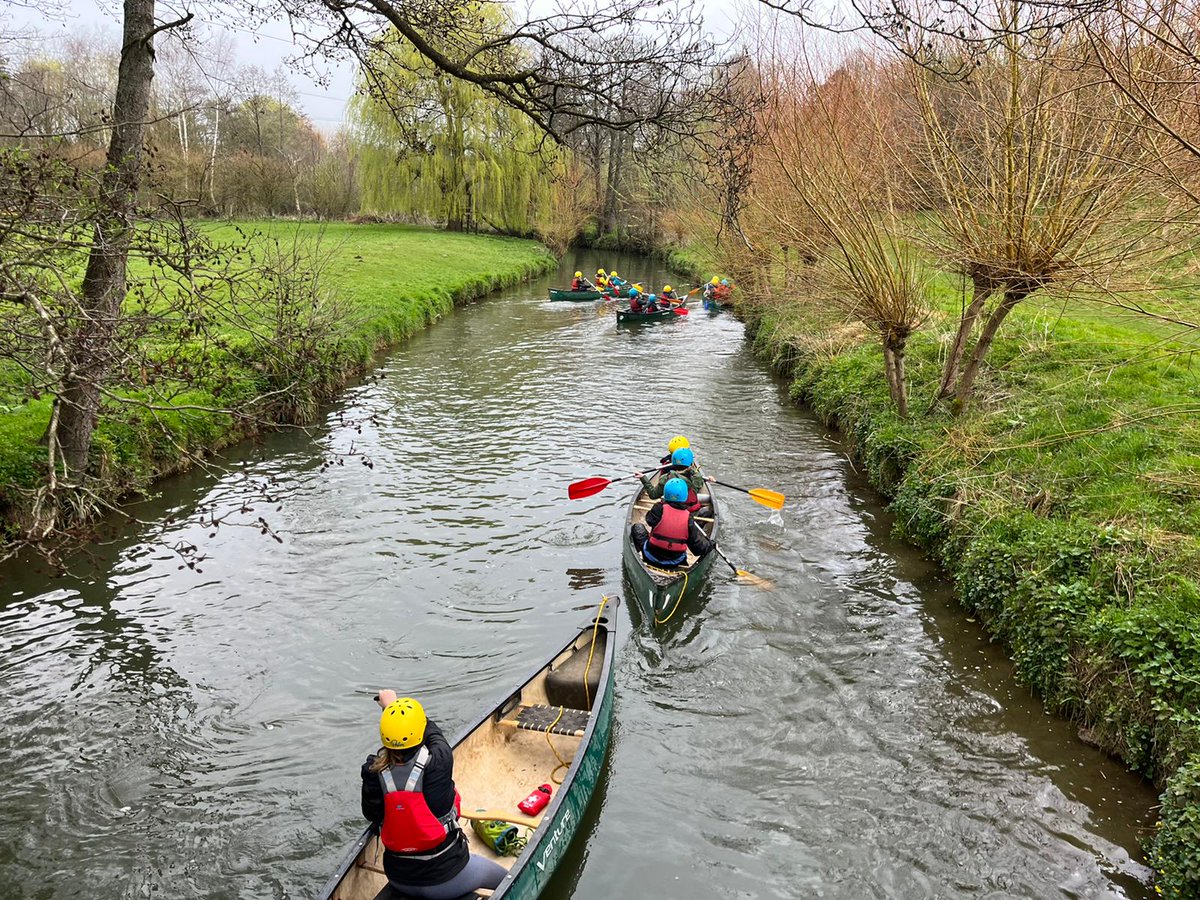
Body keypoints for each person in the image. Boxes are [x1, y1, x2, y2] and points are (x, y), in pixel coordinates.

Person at [360, 692, 507, 900]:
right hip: (447, 879)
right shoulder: (439, 760)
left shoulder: (372, 772)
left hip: (399, 878)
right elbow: (434, 734)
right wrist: (393, 706)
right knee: (507, 879)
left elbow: (372, 815)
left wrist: (390, 711)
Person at [630, 477, 714, 568]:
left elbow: (649, 520)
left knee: (637, 527)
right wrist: (711, 545)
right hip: (676, 562)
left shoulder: (658, 508)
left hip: (650, 556)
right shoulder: (688, 518)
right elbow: (697, 549)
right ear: (685, 496)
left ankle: (638, 558)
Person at [641, 446, 711, 516]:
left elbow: (653, 495)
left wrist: (643, 478)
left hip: (668, 511)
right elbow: (699, 486)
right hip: (689, 512)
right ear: (691, 463)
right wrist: (706, 479)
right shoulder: (697, 477)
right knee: (705, 510)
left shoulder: (666, 477)